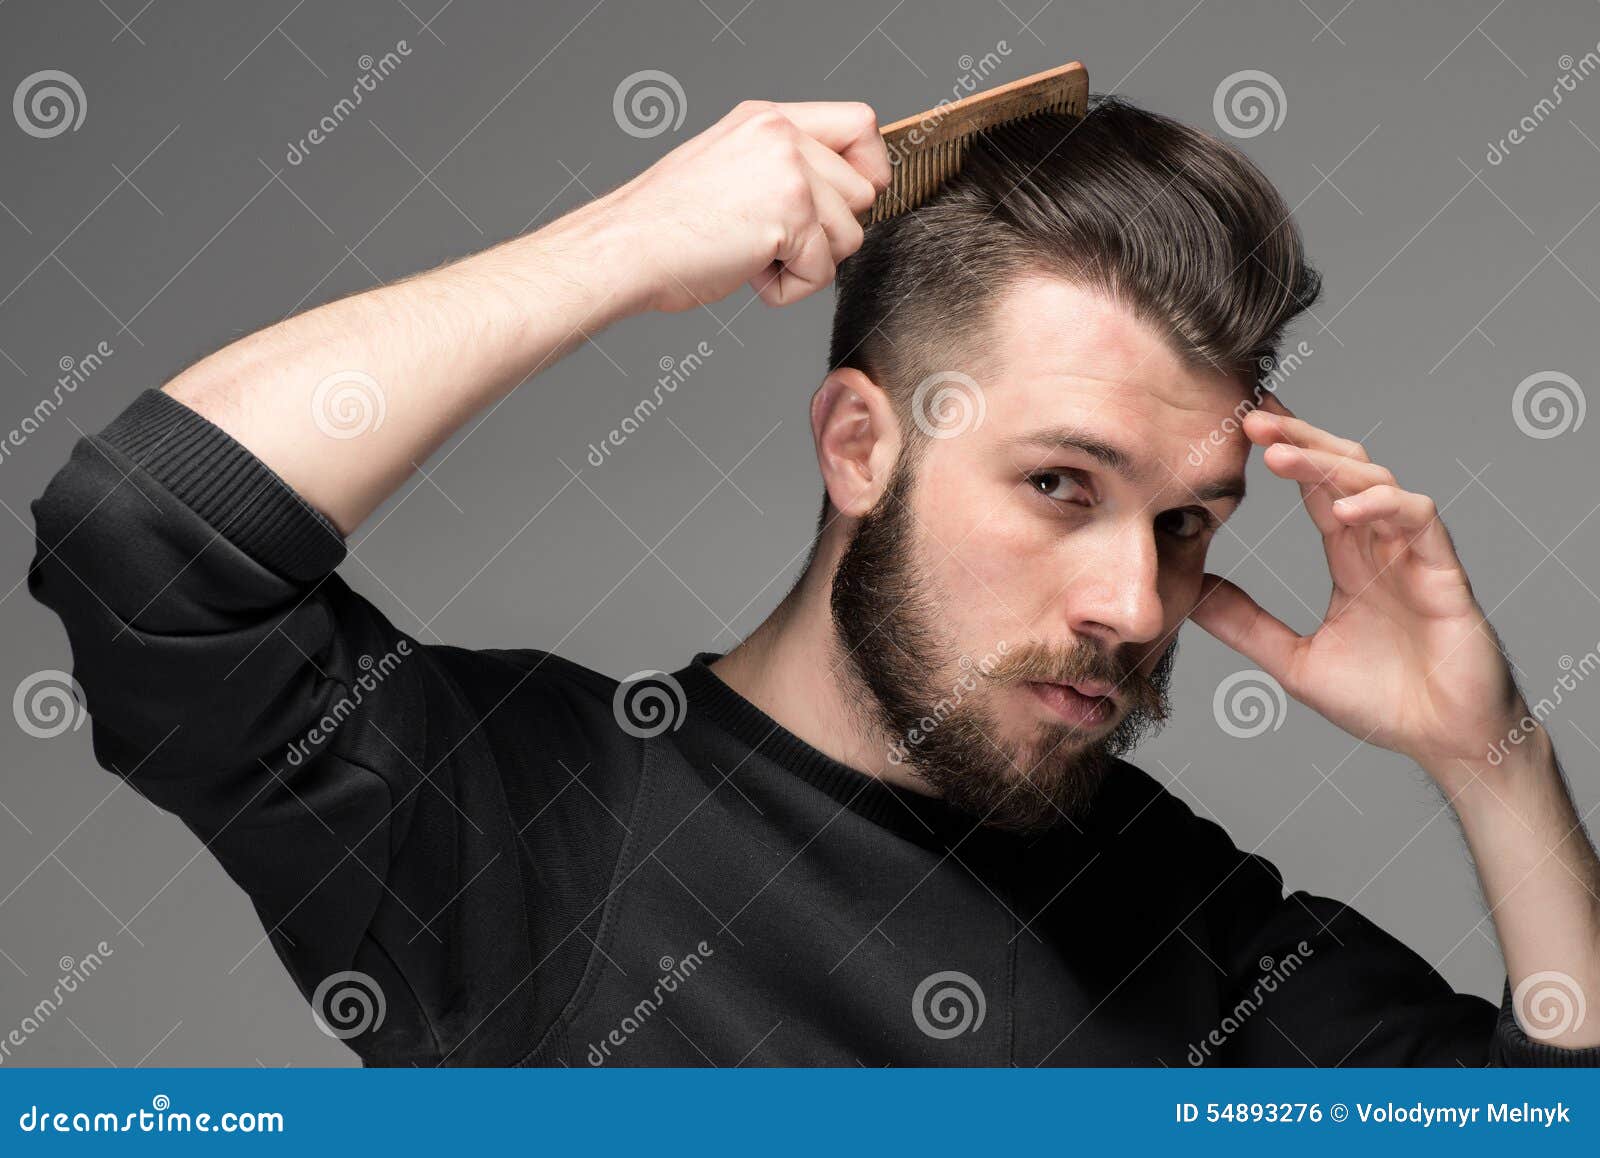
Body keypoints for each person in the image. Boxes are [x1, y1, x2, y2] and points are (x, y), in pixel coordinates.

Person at [28, 94, 1600, 1066]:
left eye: (1188, 520)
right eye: (1062, 485)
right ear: (862, 443)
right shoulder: (536, 829)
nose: (1135, 601)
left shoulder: (1174, 912)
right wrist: (622, 243)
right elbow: (145, 538)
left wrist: (1495, 759)